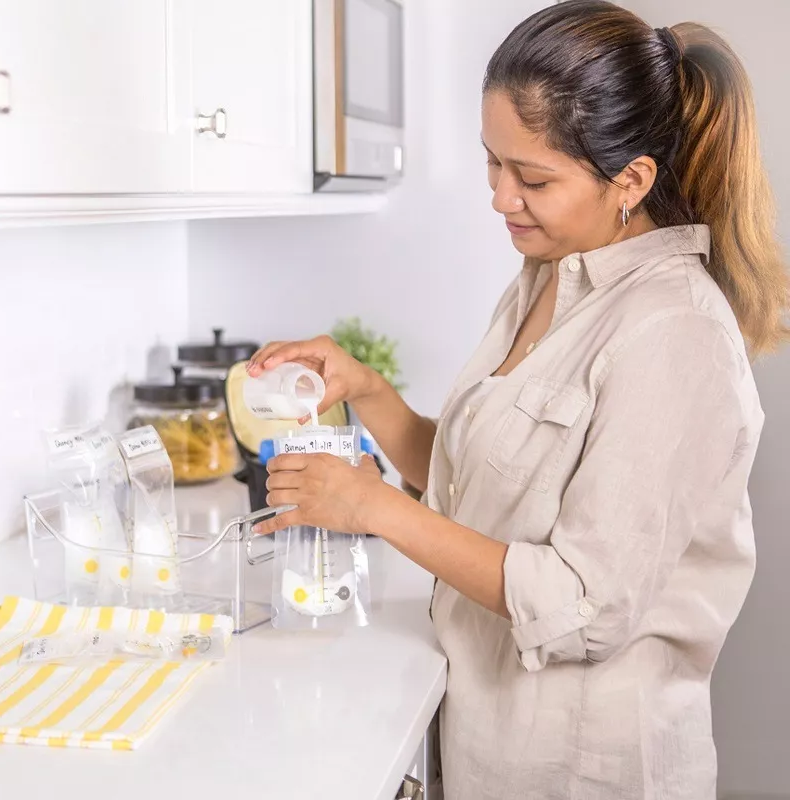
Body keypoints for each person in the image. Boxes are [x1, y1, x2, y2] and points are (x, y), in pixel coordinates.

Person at [247, 2, 787, 797]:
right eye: (492, 163)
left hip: (582, 767)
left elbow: (582, 605)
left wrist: (373, 509)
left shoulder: (675, 333)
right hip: (486, 735)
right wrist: (365, 387)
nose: (501, 197)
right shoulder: (546, 276)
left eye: (533, 177)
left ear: (631, 179)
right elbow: (479, 488)